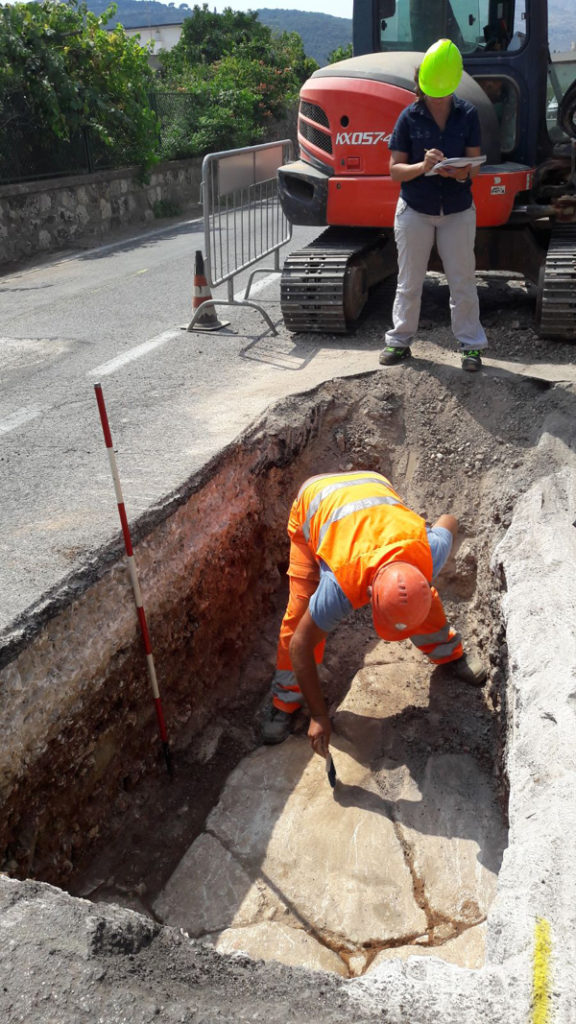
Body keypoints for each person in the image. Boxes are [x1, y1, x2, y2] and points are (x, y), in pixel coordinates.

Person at [261, 470, 486, 753]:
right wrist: (319, 716)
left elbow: (449, 521)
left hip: (374, 485)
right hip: (315, 499)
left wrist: (426, 545)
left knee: (417, 600)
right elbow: (300, 645)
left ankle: (449, 654)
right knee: (299, 614)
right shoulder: (341, 584)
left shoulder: (429, 552)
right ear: (368, 594)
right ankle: (285, 701)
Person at [379, 38, 488, 374]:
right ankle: (399, 341)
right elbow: (395, 171)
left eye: (443, 92)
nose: (438, 98)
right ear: (421, 84)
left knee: (462, 281)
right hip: (415, 209)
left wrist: (460, 172)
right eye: (432, 92)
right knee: (409, 282)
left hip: (457, 208)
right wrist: (422, 166)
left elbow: (475, 165)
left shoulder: (467, 114)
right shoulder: (408, 118)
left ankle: (471, 346)